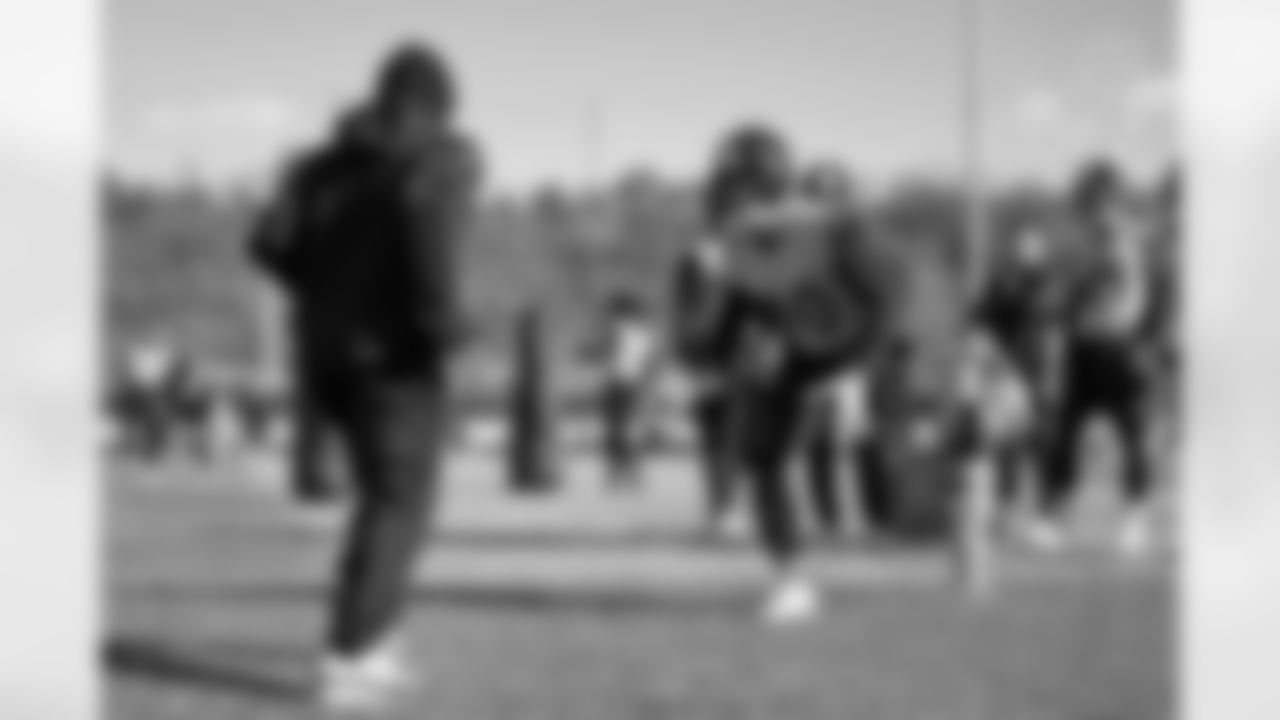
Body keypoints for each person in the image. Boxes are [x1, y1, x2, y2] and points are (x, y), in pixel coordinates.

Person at [250, 40, 481, 711]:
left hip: (327, 356)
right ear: (438, 106)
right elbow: (432, 246)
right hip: (396, 357)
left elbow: (267, 242)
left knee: (383, 501)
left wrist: (324, 296)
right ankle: (350, 655)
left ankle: (372, 644)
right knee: (400, 505)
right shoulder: (436, 156)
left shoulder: (323, 161)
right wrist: (447, 333)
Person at [700, 124, 889, 623]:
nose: (730, 189)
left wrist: (854, 367)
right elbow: (744, 298)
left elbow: (882, 299)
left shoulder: (830, 228)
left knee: (809, 462)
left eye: (740, 177)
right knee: (763, 457)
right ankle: (790, 577)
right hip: (787, 357)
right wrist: (712, 359)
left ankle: (801, 571)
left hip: (835, 357)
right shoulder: (749, 233)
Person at [1040, 160, 1161, 556]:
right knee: (1066, 431)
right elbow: (1072, 294)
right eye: (1087, 200)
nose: (1092, 208)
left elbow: (1123, 280)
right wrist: (1063, 301)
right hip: (1084, 345)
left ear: (1111, 197)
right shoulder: (1091, 240)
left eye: (1097, 198)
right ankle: (1054, 520)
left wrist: (1148, 341)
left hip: (1117, 344)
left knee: (1130, 432)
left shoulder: (1122, 236)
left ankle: (1135, 520)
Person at [598, 293, 659, 489]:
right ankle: (629, 474)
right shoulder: (645, 334)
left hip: (622, 385)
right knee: (628, 431)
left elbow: (610, 356)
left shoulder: (620, 330)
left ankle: (620, 474)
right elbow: (650, 364)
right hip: (631, 385)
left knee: (619, 431)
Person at [507, 305, 556, 493]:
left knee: (534, 429)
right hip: (533, 391)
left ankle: (534, 473)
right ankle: (533, 473)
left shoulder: (533, 350)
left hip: (533, 391)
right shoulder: (533, 351)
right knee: (534, 429)